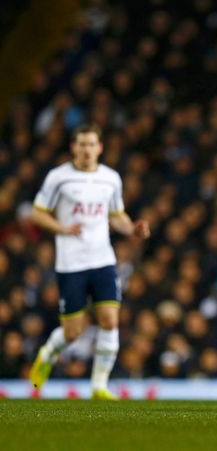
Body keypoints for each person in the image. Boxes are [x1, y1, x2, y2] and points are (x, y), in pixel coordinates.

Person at [28, 124, 150, 400]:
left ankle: (99, 386)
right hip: (71, 263)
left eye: (91, 144)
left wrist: (132, 229)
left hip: (103, 259)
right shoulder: (59, 178)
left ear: (100, 148)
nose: (86, 149)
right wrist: (61, 228)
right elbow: (37, 213)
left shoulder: (110, 179)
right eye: (81, 144)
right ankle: (47, 353)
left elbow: (116, 215)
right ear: (73, 147)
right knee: (73, 331)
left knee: (109, 320)